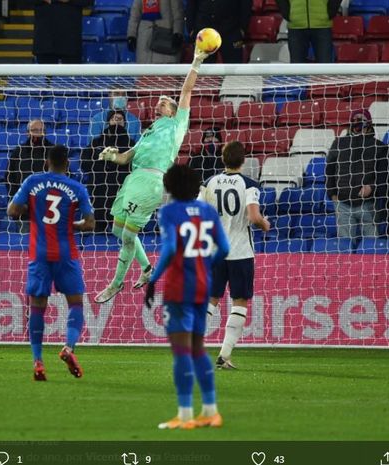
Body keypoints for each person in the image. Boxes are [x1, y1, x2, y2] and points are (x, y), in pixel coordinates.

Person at [93, 48, 211, 304]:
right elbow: (126, 158)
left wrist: (196, 62)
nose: (160, 102)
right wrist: (112, 155)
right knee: (116, 230)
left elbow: (187, 91)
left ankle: (116, 284)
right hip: (132, 180)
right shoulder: (148, 133)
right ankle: (147, 270)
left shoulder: (177, 124)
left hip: (152, 182)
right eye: (159, 100)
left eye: (165, 101)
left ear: (173, 110)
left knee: (127, 237)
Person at [144, 164, 230, 429]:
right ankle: (210, 411)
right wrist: (203, 263)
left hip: (179, 287)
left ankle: (184, 416)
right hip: (203, 286)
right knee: (197, 348)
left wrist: (153, 279)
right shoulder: (207, 211)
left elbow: (170, 248)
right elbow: (224, 248)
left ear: (169, 185)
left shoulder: (169, 212)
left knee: (181, 351)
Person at [7, 145, 96, 381]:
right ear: (68, 164)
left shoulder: (32, 181)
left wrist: (32, 211)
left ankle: (38, 361)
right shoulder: (77, 188)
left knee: (37, 307)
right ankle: (68, 347)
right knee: (76, 303)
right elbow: (90, 224)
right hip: (67, 254)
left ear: (46, 162)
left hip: (40, 254)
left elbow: (12, 210)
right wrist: (72, 225)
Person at [199, 141, 270, 369]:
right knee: (239, 301)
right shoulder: (249, 184)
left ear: (222, 159)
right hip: (239, 251)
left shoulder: (209, 182)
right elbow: (253, 216)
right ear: (243, 161)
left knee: (211, 300)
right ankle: (224, 355)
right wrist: (265, 224)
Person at [325, 109, 383, 240]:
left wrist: (372, 188)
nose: (357, 122)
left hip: (368, 203)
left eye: (361, 119)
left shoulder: (379, 146)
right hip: (342, 203)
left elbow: (383, 175)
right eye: (355, 119)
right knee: (344, 246)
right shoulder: (339, 143)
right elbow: (330, 170)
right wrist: (332, 194)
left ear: (369, 122)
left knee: (371, 244)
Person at [81, 110, 133, 232]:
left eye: (120, 119)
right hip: (99, 190)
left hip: (121, 190)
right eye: (114, 118)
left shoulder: (132, 144)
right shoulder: (96, 142)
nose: (117, 120)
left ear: (125, 123)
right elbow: (85, 164)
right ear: (108, 122)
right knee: (98, 231)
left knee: (120, 231)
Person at [186, 0, 252, 64]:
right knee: (203, 71)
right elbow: (191, 5)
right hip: (204, 31)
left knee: (233, 69)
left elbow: (246, 4)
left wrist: (242, 28)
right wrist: (191, 29)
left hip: (231, 30)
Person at [276, 0, 340, 63]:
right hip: (296, 26)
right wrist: (287, 13)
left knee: (325, 66)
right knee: (297, 67)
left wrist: (331, 11)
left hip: (322, 25)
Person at [6, 119, 53, 198]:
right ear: (27, 133)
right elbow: (9, 176)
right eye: (35, 130)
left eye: (41, 130)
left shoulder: (54, 151)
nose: (39, 133)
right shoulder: (18, 151)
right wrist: (17, 196)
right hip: (23, 198)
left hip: (47, 198)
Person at [128, 0, 184, 64]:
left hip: (165, 39)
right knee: (145, 70)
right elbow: (134, 15)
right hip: (145, 40)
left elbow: (178, 13)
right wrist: (131, 35)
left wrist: (178, 32)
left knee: (165, 71)